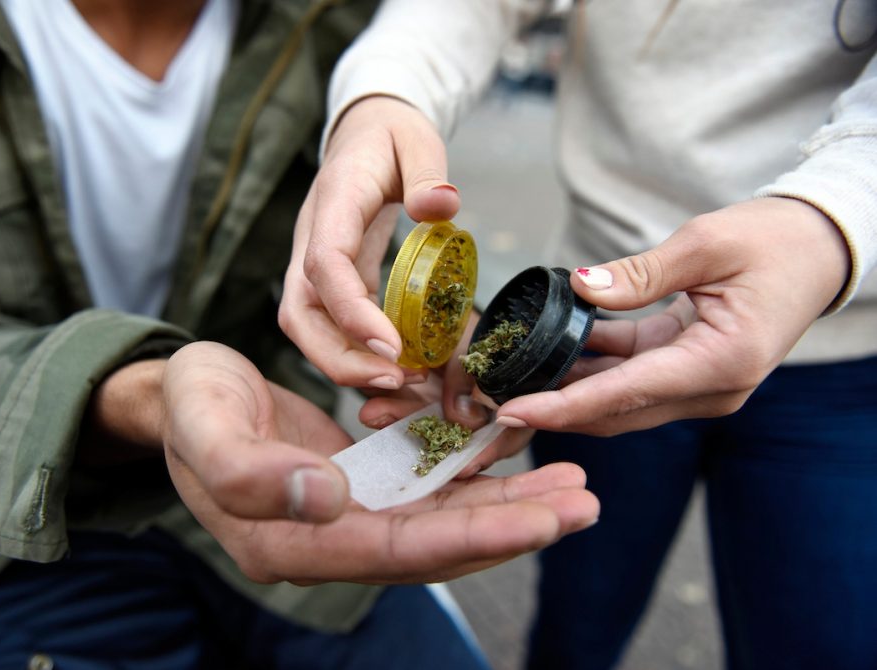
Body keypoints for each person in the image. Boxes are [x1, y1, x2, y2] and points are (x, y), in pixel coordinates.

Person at [0, 1, 601, 668]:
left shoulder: (325, 25)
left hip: (291, 483)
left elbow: (324, 245)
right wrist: (151, 399)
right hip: (9, 532)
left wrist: (411, 320)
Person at [279, 0, 877, 668]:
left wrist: (832, 220)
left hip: (844, 349)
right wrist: (382, 98)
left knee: (823, 641)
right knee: (580, 610)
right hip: (600, 337)